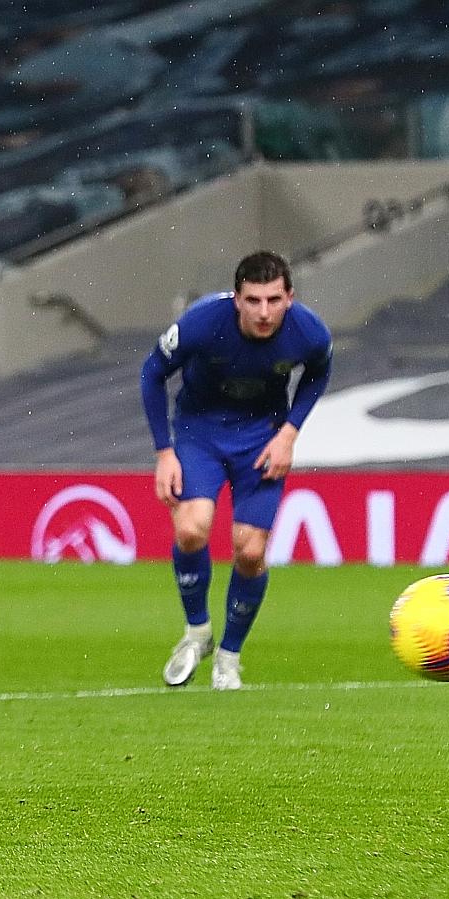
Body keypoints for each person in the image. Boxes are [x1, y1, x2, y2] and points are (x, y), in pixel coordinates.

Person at [139, 251, 332, 691]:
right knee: (191, 529)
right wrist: (164, 452)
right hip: (200, 433)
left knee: (249, 552)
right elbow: (152, 374)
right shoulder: (202, 322)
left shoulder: (309, 331)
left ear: (289, 298)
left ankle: (229, 656)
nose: (264, 312)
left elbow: (319, 373)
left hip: (262, 438)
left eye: (274, 300)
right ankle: (197, 632)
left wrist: (289, 433)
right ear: (236, 299)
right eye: (253, 300)